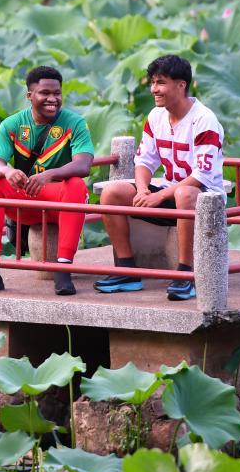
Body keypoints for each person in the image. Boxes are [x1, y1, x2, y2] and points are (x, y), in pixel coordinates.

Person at [94, 54, 224, 301]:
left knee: (185, 193)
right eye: (152, 82)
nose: (154, 89)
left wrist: (159, 196)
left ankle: (186, 275)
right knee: (112, 193)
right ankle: (127, 269)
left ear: (181, 85)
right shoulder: (155, 116)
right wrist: (143, 190)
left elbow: (201, 176)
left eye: (160, 82)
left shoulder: (204, 120)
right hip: (166, 191)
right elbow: (143, 161)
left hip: (203, 198)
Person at [0, 66, 94, 296]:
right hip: (25, 202)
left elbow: (83, 165)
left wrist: (49, 175)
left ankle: (63, 270)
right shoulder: (12, 124)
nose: (53, 99)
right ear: (29, 96)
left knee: (76, 185)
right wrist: (7, 171)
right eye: (45, 93)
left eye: (57, 93)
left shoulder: (75, 123)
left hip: (60, 202)